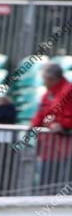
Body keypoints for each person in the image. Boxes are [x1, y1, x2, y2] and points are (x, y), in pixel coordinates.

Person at [31, 63, 72, 193]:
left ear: (52, 79)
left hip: (65, 148)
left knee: (61, 185)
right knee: (46, 184)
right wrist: (33, 127)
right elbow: (42, 114)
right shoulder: (48, 93)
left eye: (45, 79)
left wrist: (63, 125)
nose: (43, 82)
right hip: (50, 148)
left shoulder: (68, 91)